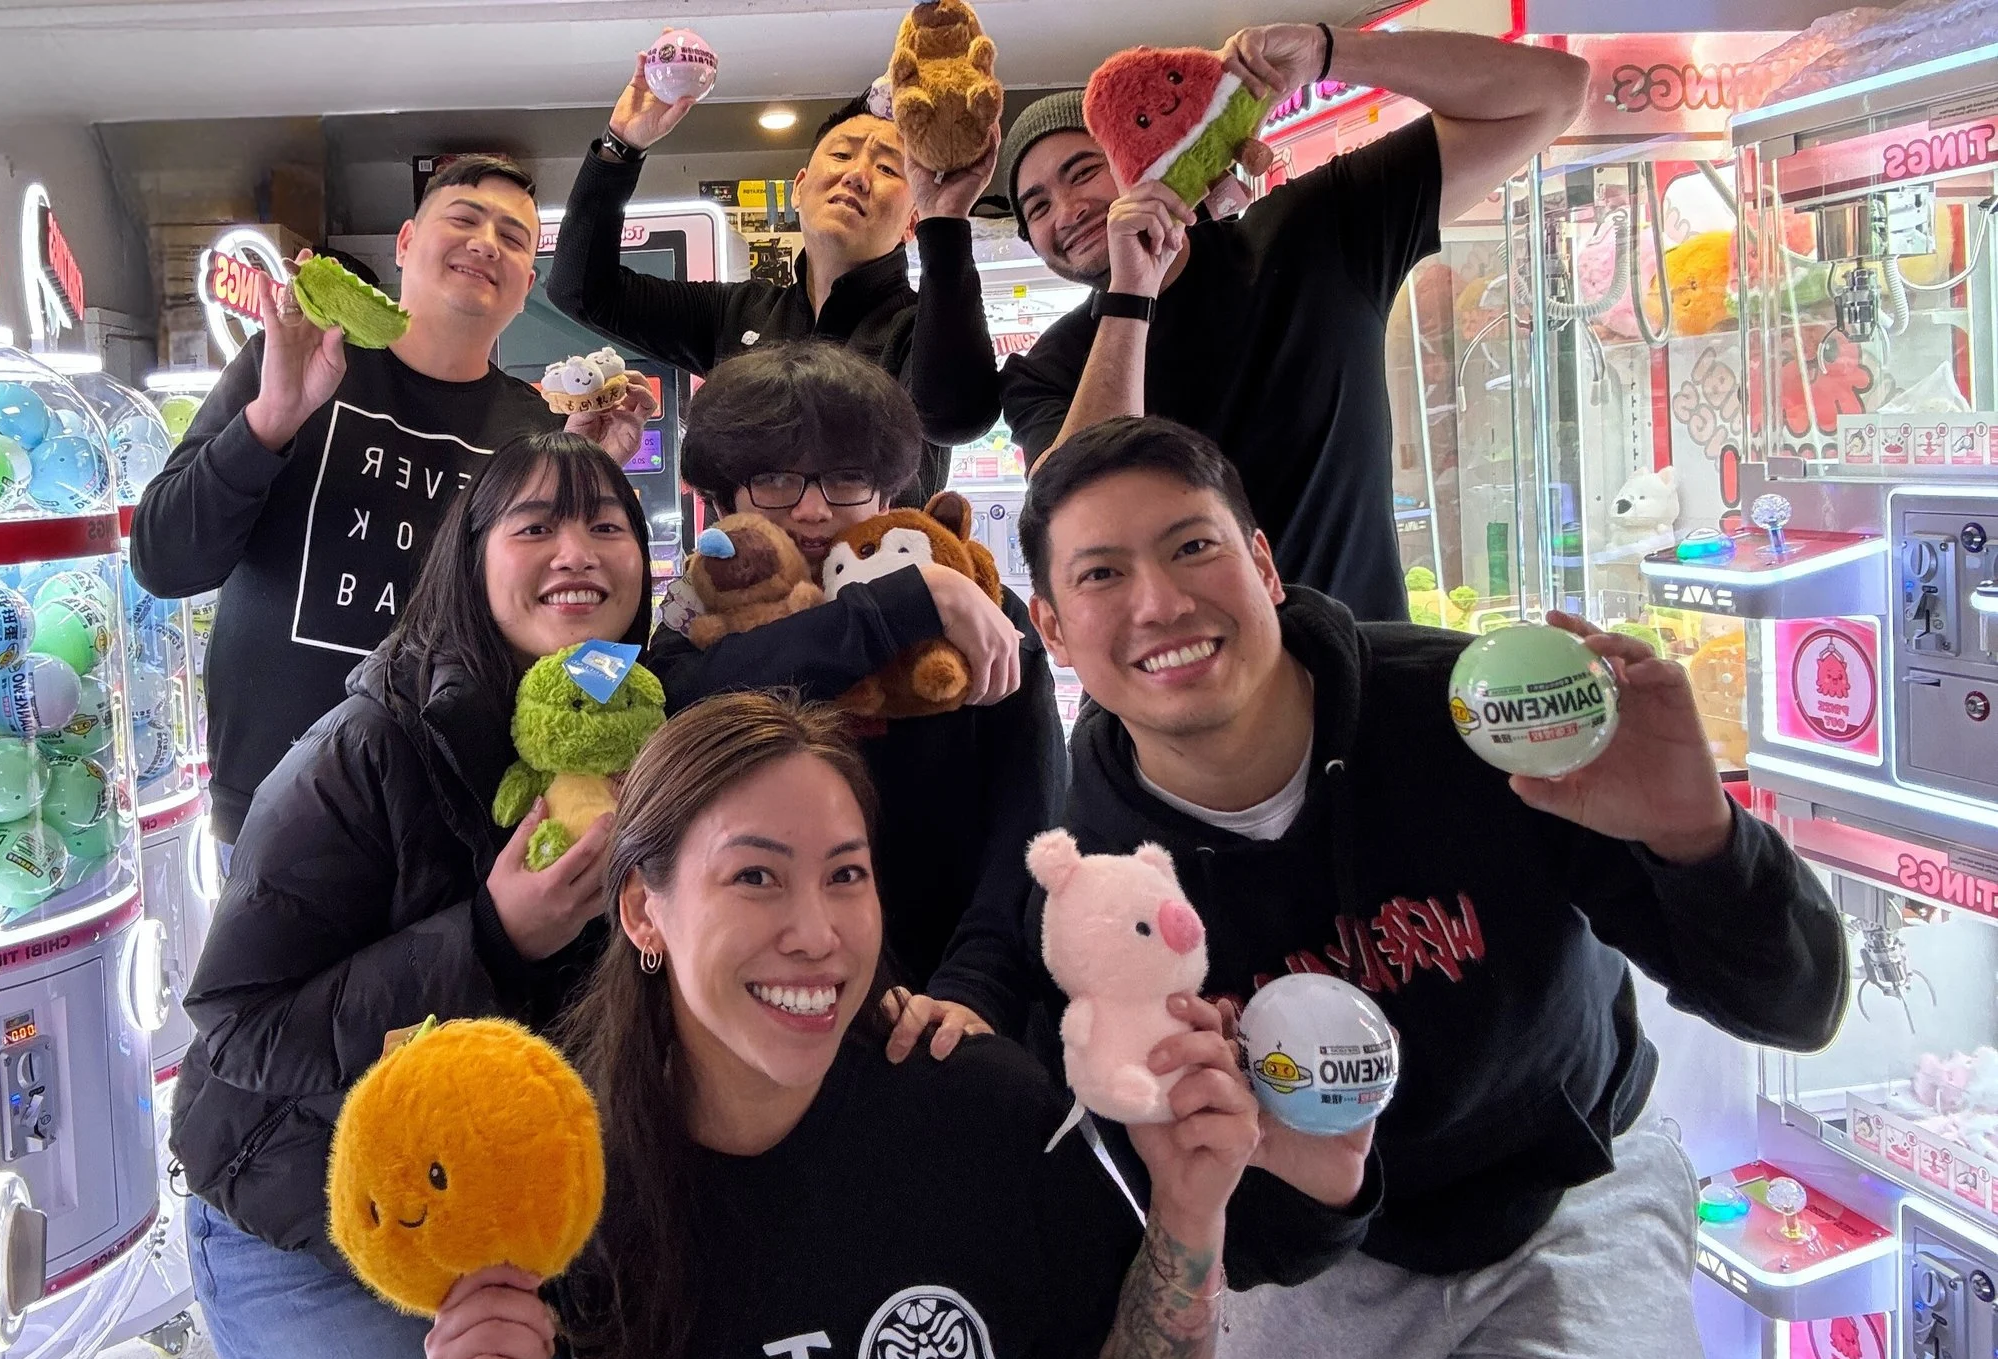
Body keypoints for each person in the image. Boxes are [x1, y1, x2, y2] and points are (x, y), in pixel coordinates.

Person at [972, 416, 1849, 1359]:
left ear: (1261, 563)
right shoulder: (1088, 887)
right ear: (1050, 629)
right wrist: (1314, 1187)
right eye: (1100, 576)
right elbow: (1218, 1226)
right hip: (1313, 1259)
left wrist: (1700, 837)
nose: (1161, 603)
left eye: (1192, 547)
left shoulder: (1464, 720)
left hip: (1568, 1170)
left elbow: (1796, 1009)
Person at [424, 690, 1369, 1359]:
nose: (816, 932)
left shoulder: (984, 1110)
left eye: (846, 875)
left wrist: (1188, 1211)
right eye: (755, 875)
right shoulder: (553, 1198)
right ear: (641, 908)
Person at [171, 432, 655, 1359]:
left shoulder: (636, 735)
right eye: (536, 526)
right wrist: (485, 937)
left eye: (608, 526)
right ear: (470, 556)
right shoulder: (365, 746)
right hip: (317, 1220)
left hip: (510, 1224)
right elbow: (238, 1022)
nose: (578, 552)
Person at [132, 155, 654, 847]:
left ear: (526, 284)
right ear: (405, 243)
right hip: (273, 805)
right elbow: (164, 560)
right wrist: (274, 417)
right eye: (464, 218)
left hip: (454, 813)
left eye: (512, 236)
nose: (485, 243)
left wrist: (588, 476)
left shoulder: (534, 430)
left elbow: (552, 632)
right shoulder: (293, 357)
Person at [990, 23, 1590, 620]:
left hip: (1362, 682)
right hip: (1174, 695)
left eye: (1083, 171)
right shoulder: (1044, 372)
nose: (1067, 211)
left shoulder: (1314, 230)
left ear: (1138, 156)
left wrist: (1327, 52)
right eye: (1037, 206)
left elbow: (1554, 92)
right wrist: (1133, 294)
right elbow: (1074, 512)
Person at [649, 341, 1047, 1025]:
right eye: (775, 479)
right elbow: (682, 699)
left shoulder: (979, 609)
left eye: (845, 478)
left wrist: (974, 987)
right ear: (724, 495)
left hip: (954, 1001)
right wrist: (908, 601)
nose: (811, 510)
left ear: (887, 487)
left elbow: (1029, 820)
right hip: (755, 998)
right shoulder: (704, 609)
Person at [548, 57, 1002, 498]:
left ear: (912, 221)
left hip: (880, 573)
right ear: (799, 188)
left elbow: (954, 416)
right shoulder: (736, 312)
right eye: (841, 154)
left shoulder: (922, 329)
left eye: (887, 168)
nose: (857, 175)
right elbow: (582, 290)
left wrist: (945, 223)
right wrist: (620, 147)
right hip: (751, 573)